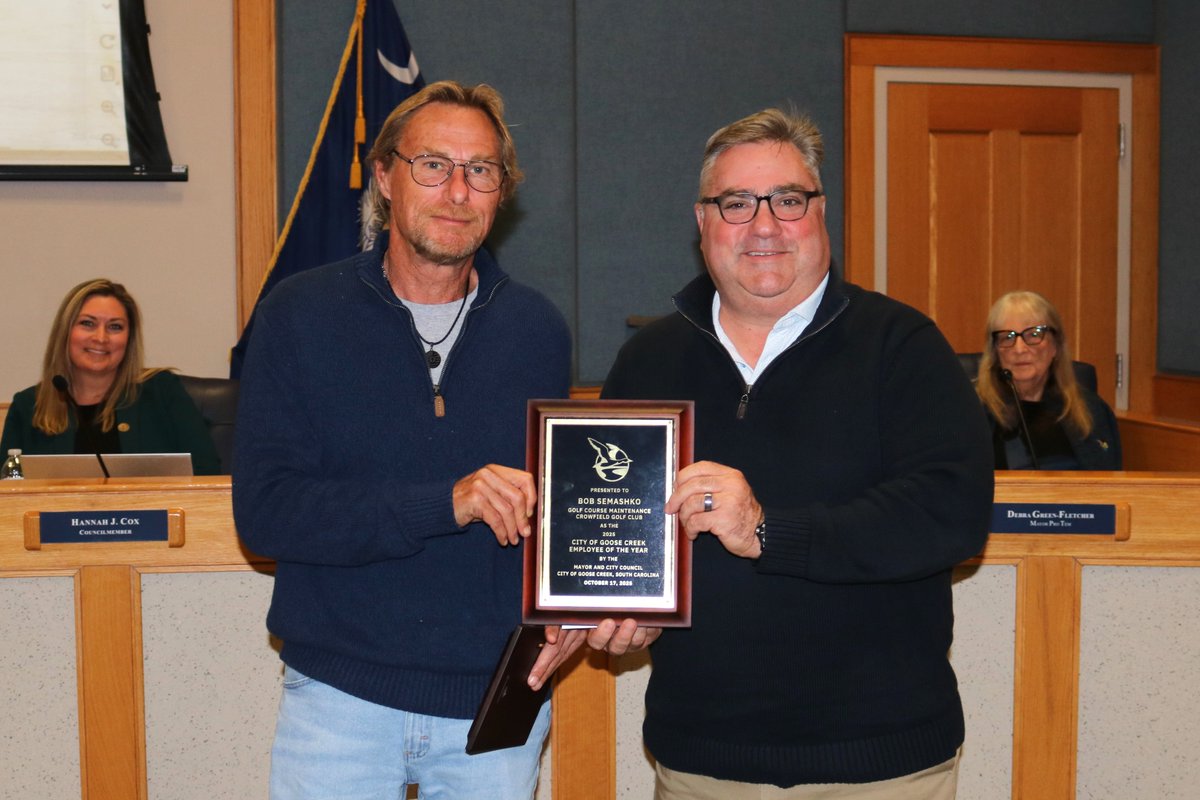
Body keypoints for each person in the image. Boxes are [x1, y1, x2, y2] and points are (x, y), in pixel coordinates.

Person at [595, 108, 995, 798]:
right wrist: (626, 610)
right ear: (702, 223)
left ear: (820, 214)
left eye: (787, 200)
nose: (764, 227)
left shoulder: (902, 346)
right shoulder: (647, 362)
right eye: (736, 203)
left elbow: (948, 516)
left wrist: (767, 531)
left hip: (879, 766)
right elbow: (623, 525)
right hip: (700, 764)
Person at [232, 81, 576, 800]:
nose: (457, 190)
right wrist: (443, 504)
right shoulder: (298, 316)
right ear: (385, 175)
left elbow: (562, 513)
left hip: (493, 709)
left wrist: (576, 604)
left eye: (481, 170)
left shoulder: (538, 331)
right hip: (339, 702)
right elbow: (266, 515)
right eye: (433, 165)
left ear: (501, 192)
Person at [0, 278, 220, 475]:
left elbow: (206, 472)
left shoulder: (162, 392)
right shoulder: (28, 406)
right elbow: (7, 494)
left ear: (129, 339)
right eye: (88, 323)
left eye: (115, 327)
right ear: (65, 332)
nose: (101, 337)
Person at [976, 290, 1121, 469]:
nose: (1019, 349)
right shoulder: (973, 411)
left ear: (1056, 346)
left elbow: (1112, 485)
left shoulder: (1092, 410)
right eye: (1008, 337)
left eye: (1034, 335)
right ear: (995, 352)